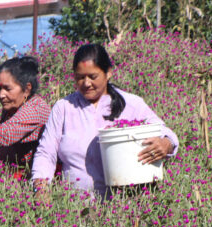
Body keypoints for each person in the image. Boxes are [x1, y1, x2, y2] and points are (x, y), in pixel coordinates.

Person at [31, 43, 179, 198]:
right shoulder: (64, 108)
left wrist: (166, 144)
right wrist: (40, 188)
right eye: (80, 78)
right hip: (73, 208)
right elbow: (46, 153)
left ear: (108, 73)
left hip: (124, 206)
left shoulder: (131, 104)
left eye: (93, 77)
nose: (86, 83)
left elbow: (164, 132)